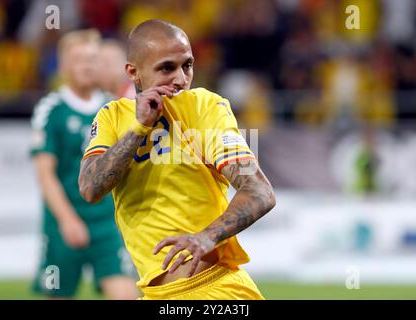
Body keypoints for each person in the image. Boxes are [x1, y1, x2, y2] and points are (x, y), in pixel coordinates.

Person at [78, 19, 276, 300]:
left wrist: (205, 237)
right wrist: (139, 128)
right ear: (133, 72)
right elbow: (90, 188)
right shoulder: (112, 117)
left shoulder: (207, 108)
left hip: (214, 290)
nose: (181, 79)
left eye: (188, 65)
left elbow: (260, 191)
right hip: (157, 295)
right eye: (167, 68)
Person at [30, 29, 139, 299]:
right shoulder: (51, 110)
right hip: (63, 223)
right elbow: (45, 175)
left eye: (92, 59)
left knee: (127, 294)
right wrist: (68, 220)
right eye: (79, 59)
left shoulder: (113, 108)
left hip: (107, 223)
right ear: (64, 65)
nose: (87, 66)